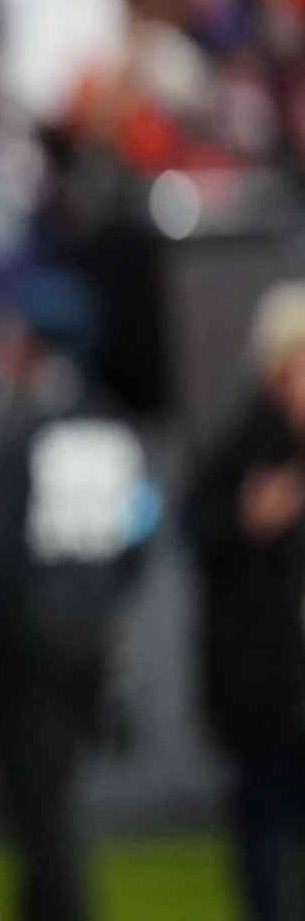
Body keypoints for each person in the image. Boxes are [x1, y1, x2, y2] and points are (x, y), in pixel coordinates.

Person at [0, 269, 154, 921]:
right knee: (49, 800)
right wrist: (97, 610)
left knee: (40, 810)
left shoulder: (19, 425)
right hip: (86, 639)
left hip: (21, 650)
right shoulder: (111, 421)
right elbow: (139, 533)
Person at [183, 280, 305, 921]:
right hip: (266, 681)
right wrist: (246, 521)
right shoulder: (244, 447)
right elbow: (196, 536)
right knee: (262, 822)